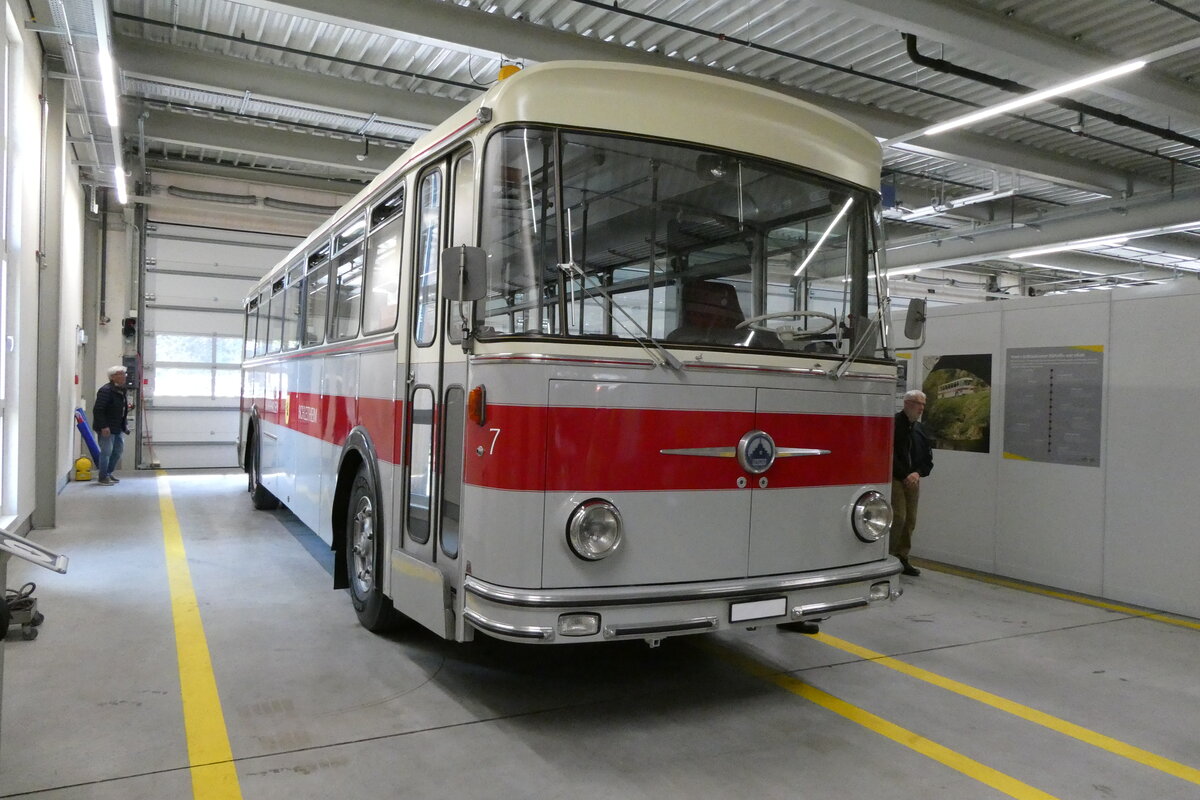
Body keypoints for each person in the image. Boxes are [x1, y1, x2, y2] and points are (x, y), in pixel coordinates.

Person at [892, 389, 933, 576]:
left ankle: (902, 556)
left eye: (924, 404)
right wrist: (904, 474)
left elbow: (927, 456)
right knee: (898, 517)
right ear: (907, 403)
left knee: (910, 520)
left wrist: (917, 473)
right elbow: (888, 454)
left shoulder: (919, 429)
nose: (921, 408)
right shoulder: (893, 424)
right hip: (896, 478)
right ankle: (890, 556)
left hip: (913, 479)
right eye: (918, 404)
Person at [93, 365, 130, 486]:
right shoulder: (106, 390)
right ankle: (102, 477)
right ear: (113, 377)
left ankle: (108, 473)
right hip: (107, 428)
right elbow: (98, 410)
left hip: (117, 427)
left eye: (124, 374)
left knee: (118, 451)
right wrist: (103, 426)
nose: (124, 376)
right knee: (106, 452)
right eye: (121, 374)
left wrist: (125, 424)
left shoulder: (121, 390)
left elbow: (121, 409)